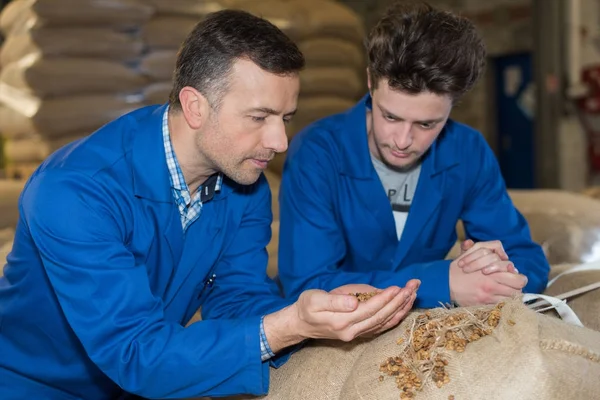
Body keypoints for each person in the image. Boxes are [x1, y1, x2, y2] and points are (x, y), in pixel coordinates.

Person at [0, 10, 419, 400]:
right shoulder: (75, 192)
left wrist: (317, 311)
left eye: (286, 118)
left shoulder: (244, 183)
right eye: (259, 117)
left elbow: (236, 300)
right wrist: (288, 326)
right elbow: (135, 352)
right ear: (195, 106)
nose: (280, 142)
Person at [277, 1, 550, 309]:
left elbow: (529, 259)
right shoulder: (316, 152)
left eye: (426, 124)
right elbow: (307, 285)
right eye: (390, 116)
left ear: (453, 105)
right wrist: (442, 282)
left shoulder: (467, 150)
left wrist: (496, 272)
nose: (403, 141)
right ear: (370, 82)